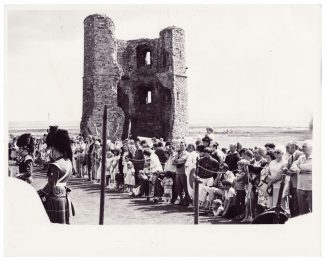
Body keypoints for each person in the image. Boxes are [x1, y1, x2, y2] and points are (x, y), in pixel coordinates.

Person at [37, 126, 75, 224]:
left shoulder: (55, 165)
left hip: (54, 199)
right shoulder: (68, 162)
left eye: (51, 149)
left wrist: (39, 194)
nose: (50, 151)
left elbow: (51, 185)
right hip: (64, 197)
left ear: (54, 148)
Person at [289, 140, 312, 215]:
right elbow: (292, 166)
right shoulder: (301, 158)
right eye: (302, 147)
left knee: (314, 210)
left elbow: (311, 166)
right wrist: (300, 170)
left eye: (304, 146)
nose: (302, 148)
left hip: (311, 188)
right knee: (303, 212)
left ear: (311, 147)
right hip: (300, 188)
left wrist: (299, 167)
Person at [283, 141, 303, 217]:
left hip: (298, 183)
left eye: (288, 147)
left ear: (294, 147)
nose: (286, 149)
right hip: (292, 183)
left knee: (296, 203)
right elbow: (287, 166)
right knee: (292, 202)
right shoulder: (290, 156)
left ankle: (296, 217)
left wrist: (290, 171)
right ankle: (293, 216)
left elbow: (299, 168)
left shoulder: (300, 154)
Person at [172, 142, 191, 206]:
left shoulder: (186, 153)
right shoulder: (177, 153)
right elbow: (173, 160)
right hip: (177, 172)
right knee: (178, 187)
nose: (181, 147)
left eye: (182, 145)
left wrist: (177, 161)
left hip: (184, 172)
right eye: (180, 145)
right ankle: (181, 200)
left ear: (185, 146)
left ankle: (187, 200)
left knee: (185, 187)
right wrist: (177, 160)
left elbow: (182, 160)